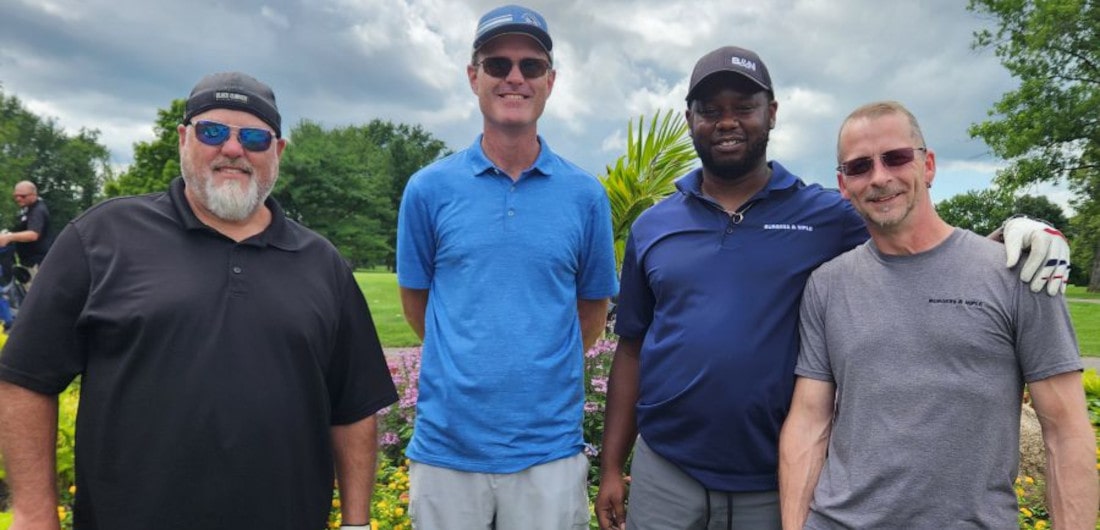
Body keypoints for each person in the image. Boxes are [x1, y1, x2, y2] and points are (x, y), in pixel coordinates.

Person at [595, 47, 1073, 530]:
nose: (727, 122)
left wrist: (1016, 232)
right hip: (667, 468)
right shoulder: (654, 226)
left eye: (744, 108)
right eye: (710, 110)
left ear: (772, 114)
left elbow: (916, 233)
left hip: (772, 477)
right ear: (689, 119)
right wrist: (612, 466)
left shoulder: (827, 214)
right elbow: (632, 346)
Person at [0, 72, 398, 530]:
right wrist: (33, 514)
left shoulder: (321, 263)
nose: (233, 149)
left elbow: (352, 409)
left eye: (253, 137)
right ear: (183, 139)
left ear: (278, 151)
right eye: (213, 132)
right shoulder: (102, 238)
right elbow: (26, 379)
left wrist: (356, 523)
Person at [779, 100, 1097, 529]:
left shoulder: (1019, 273)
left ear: (927, 165)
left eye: (895, 158)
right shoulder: (827, 285)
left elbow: (1066, 429)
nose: (879, 177)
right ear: (843, 184)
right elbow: (808, 422)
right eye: (859, 166)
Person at [395, 4, 618, 528]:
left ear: (550, 81)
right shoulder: (428, 189)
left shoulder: (585, 195)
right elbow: (418, 306)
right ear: (473, 77)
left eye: (531, 66)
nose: (514, 77)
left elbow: (591, 312)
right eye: (497, 65)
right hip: (447, 449)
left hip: (549, 452)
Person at [0, 181, 53, 289]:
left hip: (37, 263)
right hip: (27, 262)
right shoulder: (27, 209)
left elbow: (33, 234)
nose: (18, 199)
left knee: (36, 295)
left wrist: (10, 237)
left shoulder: (38, 210)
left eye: (23, 196)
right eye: (16, 196)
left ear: (34, 194)